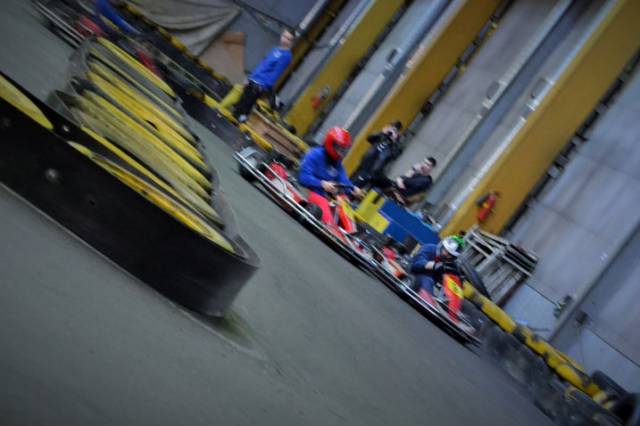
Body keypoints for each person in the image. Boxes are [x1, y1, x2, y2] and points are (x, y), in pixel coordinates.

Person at [298, 127, 363, 225]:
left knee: (344, 200)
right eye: (339, 148)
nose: (341, 152)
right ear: (331, 143)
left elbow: (344, 181)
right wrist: (321, 184)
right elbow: (303, 177)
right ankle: (330, 225)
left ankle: (349, 229)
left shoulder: (337, 163)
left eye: (343, 149)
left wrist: (353, 189)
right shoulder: (315, 154)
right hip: (309, 191)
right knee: (324, 206)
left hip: (326, 196)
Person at [233, 29, 294, 122]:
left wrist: (264, 86)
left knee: (246, 107)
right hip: (254, 79)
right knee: (240, 104)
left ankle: (240, 120)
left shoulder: (286, 56)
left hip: (259, 85)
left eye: (288, 39)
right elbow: (263, 64)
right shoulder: (275, 49)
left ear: (291, 42)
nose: (285, 40)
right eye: (284, 36)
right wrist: (250, 78)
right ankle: (236, 117)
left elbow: (276, 73)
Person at [409, 236, 464, 305]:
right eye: (445, 251)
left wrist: (460, 280)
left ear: (454, 257)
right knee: (428, 280)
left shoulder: (452, 264)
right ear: (442, 246)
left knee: (454, 293)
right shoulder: (430, 248)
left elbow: (454, 282)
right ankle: (427, 302)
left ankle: (444, 305)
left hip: (431, 283)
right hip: (415, 274)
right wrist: (435, 265)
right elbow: (416, 264)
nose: (446, 255)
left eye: (450, 255)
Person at [352, 121, 403, 189]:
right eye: (392, 128)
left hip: (373, 171)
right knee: (351, 182)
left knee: (356, 187)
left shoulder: (396, 145)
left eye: (395, 131)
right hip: (364, 164)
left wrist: (394, 141)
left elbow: (395, 155)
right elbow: (369, 138)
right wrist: (382, 133)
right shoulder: (382, 136)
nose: (392, 131)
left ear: (398, 133)